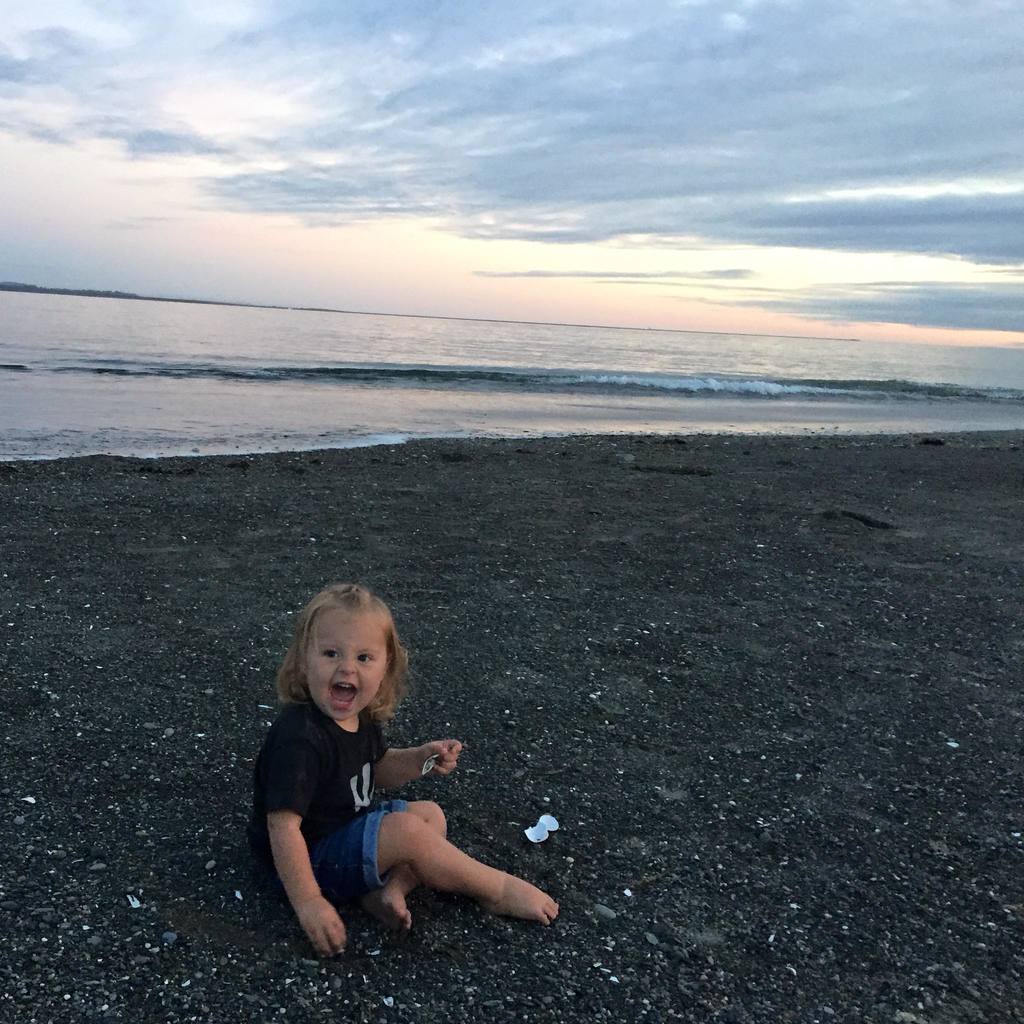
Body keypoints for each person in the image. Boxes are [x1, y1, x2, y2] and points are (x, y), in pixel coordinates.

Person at [248, 582, 559, 955]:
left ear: (385, 667)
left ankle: (386, 892)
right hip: (306, 861)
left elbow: (374, 769)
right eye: (331, 653)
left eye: (364, 658)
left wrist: (418, 759)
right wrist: (309, 901)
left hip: (343, 831)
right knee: (409, 833)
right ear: (303, 660)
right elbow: (282, 826)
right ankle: (496, 890)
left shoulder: (358, 718)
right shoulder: (299, 738)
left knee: (430, 815)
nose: (347, 667)